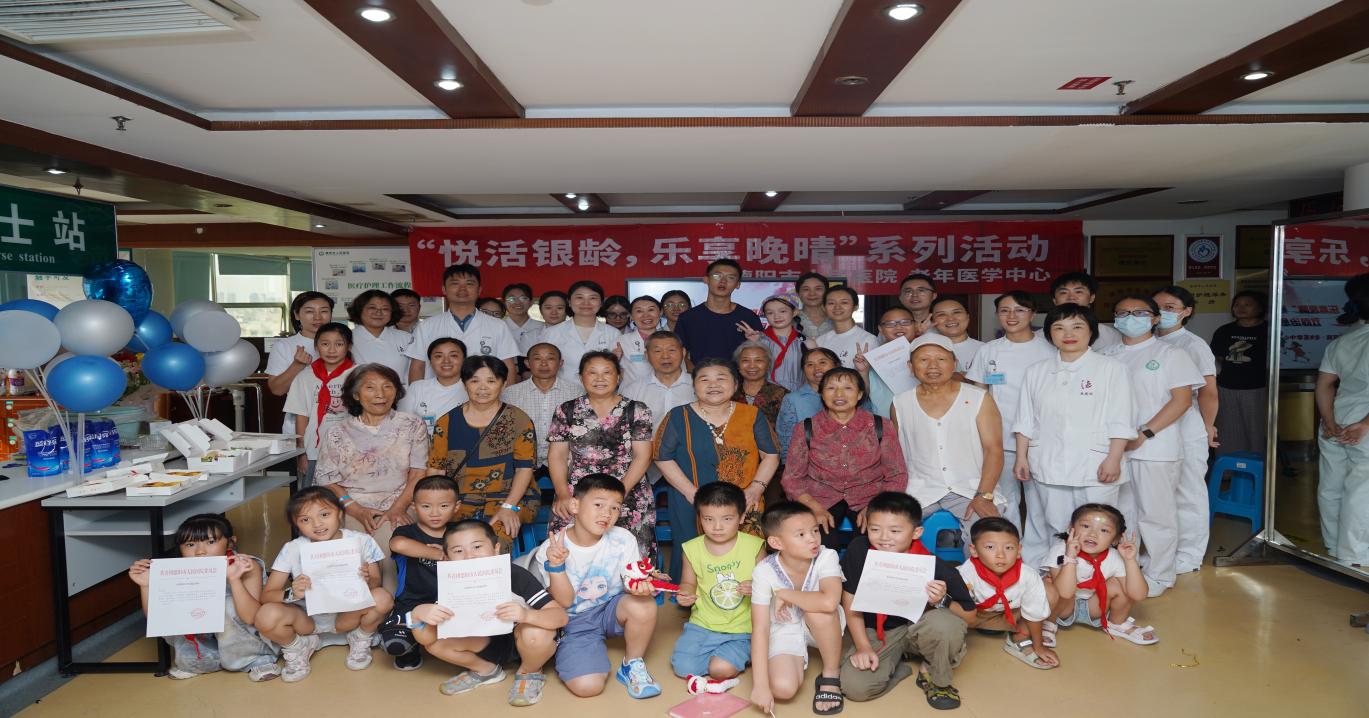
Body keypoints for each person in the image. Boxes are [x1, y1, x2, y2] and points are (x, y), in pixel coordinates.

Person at [1013, 304, 1136, 569]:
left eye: (1077, 326)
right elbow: (1025, 419)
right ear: (1049, 334)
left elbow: (1122, 418)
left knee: (1098, 527)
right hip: (1048, 460)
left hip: (1097, 462)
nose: (1068, 334)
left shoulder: (1111, 368)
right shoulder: (1037, 371)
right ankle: (1053, 576)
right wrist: (1021, 456)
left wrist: (1114, 458)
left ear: (1091, 331)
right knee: (1053, 524)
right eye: (1059, 328)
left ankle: (1097, 578)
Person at [1104, 294, 1203, 596]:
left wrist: (1145, 433)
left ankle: (1160, 574)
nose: (1130, 318)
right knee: (1122, 513)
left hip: (1156, 447)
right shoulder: (1106, 355)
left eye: (1139, 312)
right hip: (1116, 448)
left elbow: (1181, 401)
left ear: (1155, 318)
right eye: (1122, 312)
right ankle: (1127, 568)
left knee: (1156, 515)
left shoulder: (1171, 354)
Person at [531, 474, 662, 699]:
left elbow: (630, 581)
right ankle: (574, 651)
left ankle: (631, 664)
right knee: (588, 687)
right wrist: (557, 566)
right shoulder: (552, 548)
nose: (607, 514)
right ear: (575, 505)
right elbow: (564, 602)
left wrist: (642, 586)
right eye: (599, 505)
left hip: (609, 608)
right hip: (573, 621)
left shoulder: (623, 538)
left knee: (644, 604)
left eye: (615, 508)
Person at [410, 520, 567, 705]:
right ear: (447, 558)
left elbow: (560, 617)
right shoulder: (451, 584)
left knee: (537, 632)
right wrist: (416, 615)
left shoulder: (515, 575)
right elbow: (427, 639)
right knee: (435, 643)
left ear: (496, 549)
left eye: (477, 547)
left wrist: (526, 615)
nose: (469, 556)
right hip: (485, 642)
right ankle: (485, 670)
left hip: (524, 640)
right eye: (458, 551)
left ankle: (530, 672)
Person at [839, 492, 974, 709]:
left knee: (946, 624)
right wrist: (863, 646)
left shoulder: (933, 565)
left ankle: (932, 673)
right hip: (880, 632)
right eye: (875, 529)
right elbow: (849, 598)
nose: (884, 537)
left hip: (920, 627)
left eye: (895, 531)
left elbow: (970, 615)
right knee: (855, 687)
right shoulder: (859, 549)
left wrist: (942, 601)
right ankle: (896, 666)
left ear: (916, 532)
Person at [654, 359, 780, 580]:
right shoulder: (678, 416)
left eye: (721, 378)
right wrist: (690, 492)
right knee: (691, 551)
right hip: (690, 498)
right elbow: (662, 457)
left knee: (746, 554)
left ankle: (749, 593)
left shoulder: (752, 415)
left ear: (735, 384)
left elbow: (771, 454)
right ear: (694, 386)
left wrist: (756, 489)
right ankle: (691, 594)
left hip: (745, 499)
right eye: (704, 379)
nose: (713, 385)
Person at [255, 488, 394, 682]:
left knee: (383, 598)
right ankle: (297, 647)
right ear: (295, 523)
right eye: (305, 519)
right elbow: (267, 595)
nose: (317, 524)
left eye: (324, 515)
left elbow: (376, 582)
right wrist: (292, 592)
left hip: (348, 616)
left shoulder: (361, 541)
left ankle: (360, 637)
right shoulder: (293, 548)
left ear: (340, 513)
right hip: (307, 621)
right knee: (265, 616)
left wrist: (367, 579)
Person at [314, 363, 430, 592]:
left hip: (400, 502)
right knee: (351, 548)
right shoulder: (337, 432)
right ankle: (356, 606)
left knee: (389, 543)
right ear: (356, 395)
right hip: (351, 505)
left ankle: (389, 605)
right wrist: (356, 510)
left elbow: (418, 473)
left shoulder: (411, 424)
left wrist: (397, 509)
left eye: (388, 386)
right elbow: (327, 480)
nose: (380, 394)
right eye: (370, 387)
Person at [126, 514, 279, 681]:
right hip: (206, 632)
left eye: (210, 542)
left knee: (227, 605)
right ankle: (206, 660)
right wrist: (146, 585)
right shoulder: (176, 570)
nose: (200, 552)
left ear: (230, 542)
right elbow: (159, 619)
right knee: (177, 609)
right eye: (190, 544)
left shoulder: (246, 566)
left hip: (244, 634)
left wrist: (234, 580)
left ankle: (254, 659)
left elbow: (251, 616)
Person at [893, 333, 1005, 548]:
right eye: (923, 359)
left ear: (954, 364)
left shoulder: (978, 398)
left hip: (970, 489)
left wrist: (984, 495)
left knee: (989, 539)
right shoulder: (901, 403)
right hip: (920, 491)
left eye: (941, 359)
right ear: (910, 366)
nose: (932, 365)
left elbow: (994, 449)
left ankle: (970, 574)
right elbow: (897, 455)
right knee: (888, 530)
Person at [782, 367, 907, 549]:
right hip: (820, 498)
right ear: (821, 393)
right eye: (831, 388)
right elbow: (792, 478)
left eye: (848, 388)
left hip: (870, 497)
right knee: (820, 544)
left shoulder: (880, 425)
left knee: (868, 544)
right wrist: (813, 507)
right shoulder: (806, 428)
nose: (839, 394)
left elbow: (897, 474)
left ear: (859, 394)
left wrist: (876, 506)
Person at [547, 352, 656, 557]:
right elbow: (557, 456)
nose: (600, 378)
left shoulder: (637, 410)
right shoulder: (566, 410)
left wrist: (618, 495)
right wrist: (563, 494)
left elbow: (643, 456)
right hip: (579, 493)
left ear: (619, 376)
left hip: (627, 490)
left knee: (632, 559)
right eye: (592, 373)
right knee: (568, 553)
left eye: (607, 372)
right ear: (581, 377)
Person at [966, 291, 1056, 536]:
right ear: (997, 315)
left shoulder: (1050, 349)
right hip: (1000, 439)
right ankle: (1009, 548)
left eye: (1020, 310)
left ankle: (1039, 553)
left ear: (1033, 314)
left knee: (1040, 502)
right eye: (1004, 310)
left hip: (1041, 439)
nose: (1012, 316)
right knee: (1005, 500)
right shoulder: (989, 351)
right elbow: (979, 394)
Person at [428, 356, 539, 550]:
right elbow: (436, 470)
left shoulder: (519, 420)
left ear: (503, 384)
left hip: (511, 497)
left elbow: (524, 469)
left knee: (494, 540)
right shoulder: (446, 423)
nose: (482, 387)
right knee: (453, 544)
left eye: (491, 381)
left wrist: (509, 506)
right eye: (474, 381)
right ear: (464, 384)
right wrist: (437, 506)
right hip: (460, 499)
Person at [749, 502, 846, 716]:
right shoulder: (763, 571)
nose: (812, 539)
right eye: (801, 534)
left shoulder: (826, 556)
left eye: (814, 530)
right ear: (776, 542)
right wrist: (760, 685)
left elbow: (829, 602)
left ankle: (831, 674)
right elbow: (760, 629)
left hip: (822, 623)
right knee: (782, 689)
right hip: (785, 625)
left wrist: (785, 594)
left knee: (817, 610)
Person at [670, 483, 766, 691]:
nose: (717, 527)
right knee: (682, 668)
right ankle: (729, 654)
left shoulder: (754, 546)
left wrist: (757, 587)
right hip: (703, 625)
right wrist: (685, 593)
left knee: (720, 670)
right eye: (708, 519)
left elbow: (769, 583)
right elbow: (688, 582)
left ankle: (746, 650)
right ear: (699, 518)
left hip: (743, 627)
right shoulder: (692, 548)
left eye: (727, 519)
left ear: (741, 517)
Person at [1155, 285, 1222, 574]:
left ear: (1186, 312)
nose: (1162, 312)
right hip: (1154, 424)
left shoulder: (1193, 345)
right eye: (1157, 307)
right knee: (1159, 492)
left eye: (1170, 307)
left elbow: (1208, 391)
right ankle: (1163, 551)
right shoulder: (1147, 341)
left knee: (1188, 490)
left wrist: (1208, 426)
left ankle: (1189, 554)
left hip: (1186, 423)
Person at [1042, 503, 1156, 646]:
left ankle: (1117, 623)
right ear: (1071, 528)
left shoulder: (1115, 556)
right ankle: (1049, 622)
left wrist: (1130, 561)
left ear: (1115, 539)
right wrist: (1070, 557)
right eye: (1085, 526)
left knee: (1121, 585)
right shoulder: (1060, 550)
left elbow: (1138, 595)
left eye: (1104, 530)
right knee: (1048, 585)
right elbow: (1064, 593)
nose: (1093, 534)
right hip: (1062, 609)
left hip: (1095, 607)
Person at [378, 474, 459, 672]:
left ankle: (453, 649)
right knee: (395, 645)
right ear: (414, 507)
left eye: (444, 506)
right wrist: (438, 554)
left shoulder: (461, 532)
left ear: (456, 507)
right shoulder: (407, 532)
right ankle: (411, 648)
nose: (435, 513)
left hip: (454, 603)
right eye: (426, 506)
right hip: (412, 604)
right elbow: (398, 545)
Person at [1314, 273, 1369, 565]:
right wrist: (1365, 424)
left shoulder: (1342, 341)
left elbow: (1324, 384)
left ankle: (1334, 546)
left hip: (1337, 419)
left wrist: (1329, 420)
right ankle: (1355, 554)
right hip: (1363, 426)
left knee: (1331, 486)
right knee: (1361, 489)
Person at [956, 517, 1057, 670]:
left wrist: (1039, 646)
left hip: (1009, 616)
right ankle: (956, 643)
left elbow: (1035, 613)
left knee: (1049, 592)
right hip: (973, 617)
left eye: (1009, 548)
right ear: (974, 550)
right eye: (990, 547)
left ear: (1019, 551)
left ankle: (1018, 639)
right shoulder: (965, 574)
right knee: (948, 603)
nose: (1001, 555)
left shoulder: (1027, 575)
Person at [405, 264, 518, 383]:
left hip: (485, 392)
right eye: (455, 283)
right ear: (444, 289)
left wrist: (507, 394)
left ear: (479, 290)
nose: (462, 289)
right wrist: (415, 393)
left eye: (469, 284)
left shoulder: (498, 326)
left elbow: (508, 366)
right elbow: (418, 367)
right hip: (437, 393)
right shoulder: (427, 326)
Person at [283, 322, 355, 487]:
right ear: (316, 347)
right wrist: (302, 453)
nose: (332, 350)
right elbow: (301, 416)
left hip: (352, 449)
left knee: (350, 494)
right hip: (314, 451)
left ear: (349, 346)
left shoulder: (358, 374)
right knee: (314, 496)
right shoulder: (305, 377)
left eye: (339, 344)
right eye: (325, 344)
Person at [501, 342, 586, 479]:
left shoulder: (576, 392)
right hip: (522, 461)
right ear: (527, 363)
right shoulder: (510, 394)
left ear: (561, 363)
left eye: (550, 358)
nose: (544, 364)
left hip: (565, 460)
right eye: (537, 358)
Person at [1210, 290, 1269, 456]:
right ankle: (1229, 467)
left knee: (1257, 431)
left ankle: (1258, 467)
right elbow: (1219, 357)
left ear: (1260, 308)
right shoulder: (1224, 330)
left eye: (1247, 304)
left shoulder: (1269, 330)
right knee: (1228, 431)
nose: (1241, 308)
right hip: (1227, 387)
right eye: (1237, 304)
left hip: (1258, 388)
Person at [674, 259, 763, 365]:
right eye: (717, 276)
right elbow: (678, 353)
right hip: (699, 375)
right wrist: (694, 372)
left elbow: (762, 355)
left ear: (738, 284)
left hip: (737, 376)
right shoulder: (688, 318)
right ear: (706, 279)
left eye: (731, 277)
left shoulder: (749, 317)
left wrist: (756, 342)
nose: (723, 281)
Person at [541, 280, 621, 383]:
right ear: (569, 302)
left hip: (601, 389)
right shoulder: (551, 333)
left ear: (601, 303)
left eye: (593, 298)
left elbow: (618, 369)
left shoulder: (613, 333)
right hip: (563, 391)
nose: (586, 303)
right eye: (579, 298)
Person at [854, 306, 920, 418]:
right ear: (880, 329)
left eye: (905, 322)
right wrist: (863, 372)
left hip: (921, 418)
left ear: (915, 325)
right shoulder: (874, 358)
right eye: (890, 324)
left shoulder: (929, 352)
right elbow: (864, 395)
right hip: (886, 421)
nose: (898, 327)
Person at [267, 290, 335, 398]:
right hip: (302, 408)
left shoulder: (344, 343)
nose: (317, 317)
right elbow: (277, 390)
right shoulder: (284, 346)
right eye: (310, 311)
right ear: (296, 315)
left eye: (324, 311)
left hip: (339, 407)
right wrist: (297, 365)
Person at [776, 347, 840, 457]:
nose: (817, 368)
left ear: (836, 366)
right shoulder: (793, 399)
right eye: (810, 365)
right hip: (807, 463)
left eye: (822, 362)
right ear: (803, 370)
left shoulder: (850, 395)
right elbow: (786, 441)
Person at [397, 338, 469, 435]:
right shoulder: (417, 388)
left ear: (464, 360)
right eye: (439, 356)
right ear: (430, 362)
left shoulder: (472, 389)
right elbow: (401, 426)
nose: (446, 361)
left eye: (453, 355)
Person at [738, 295, 807, 392]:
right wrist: (753, 343)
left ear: (794, 312)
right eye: (770, 313)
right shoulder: (759, 340)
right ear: (765, 315)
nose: (776, 316)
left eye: (782, 311)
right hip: (765, 395)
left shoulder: (805, 342)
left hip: (798, 395)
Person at [348, 289, 414, 383]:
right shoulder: (346, 338)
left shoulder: (406, 338)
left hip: (400, 391)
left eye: (385, 309)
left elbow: (415, 371)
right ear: (360, 310)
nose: (378, 313)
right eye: (372, 307)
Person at [1050, 271, 1123, 352]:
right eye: (1063, 292)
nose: (1071, 297)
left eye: (1078, 292)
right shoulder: (1040, 337)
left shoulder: (1111, 336)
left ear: (1092, 298)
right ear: (1054, 300)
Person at [815, 285, 876, 369]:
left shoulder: (868, 340)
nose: (837, 307)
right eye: (831, 303)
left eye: (844, 302)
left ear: (855, 307)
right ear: (823, 308)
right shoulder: (820, 340)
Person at [733, 341, 789, 431]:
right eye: (745, 360)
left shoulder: (783, 395)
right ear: (738, 365)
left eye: (758, 360)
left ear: (768, 365)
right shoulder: (729, 394)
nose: (752, 366)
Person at [614, 295, 662, 387]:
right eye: (639, 311)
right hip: (631, 393)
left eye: (651, 310)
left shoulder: (671, 340)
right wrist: (614, 360)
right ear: (631, 316)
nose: (646, 315)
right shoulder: (621, 341)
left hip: (665, 393)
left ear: (660, 312)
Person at [930, 298, 982, 374]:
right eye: (941, 314)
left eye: (957, 312)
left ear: (968, 316)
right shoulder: (925, 351)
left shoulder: (985, 349)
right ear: (932, 321)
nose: (950, 319)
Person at [502, 283, 545, 357]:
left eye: (523, 298)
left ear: (531, 302)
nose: (517, 302)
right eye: (511, 299)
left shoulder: (542, 327)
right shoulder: (499, 327)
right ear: (504, 303)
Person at [795, 272, 834, 340]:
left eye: (818, 289)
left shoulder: (837, 318)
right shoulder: (789, 319)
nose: (812, 293)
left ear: (827, 292)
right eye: (806, 289)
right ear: (798, 293)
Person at [897, 273, 937, 338]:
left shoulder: (942, 323)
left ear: (934, 296)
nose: (914, 295)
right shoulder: (891, 326)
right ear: (900, 298)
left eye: (921, 290)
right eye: (908, 291)